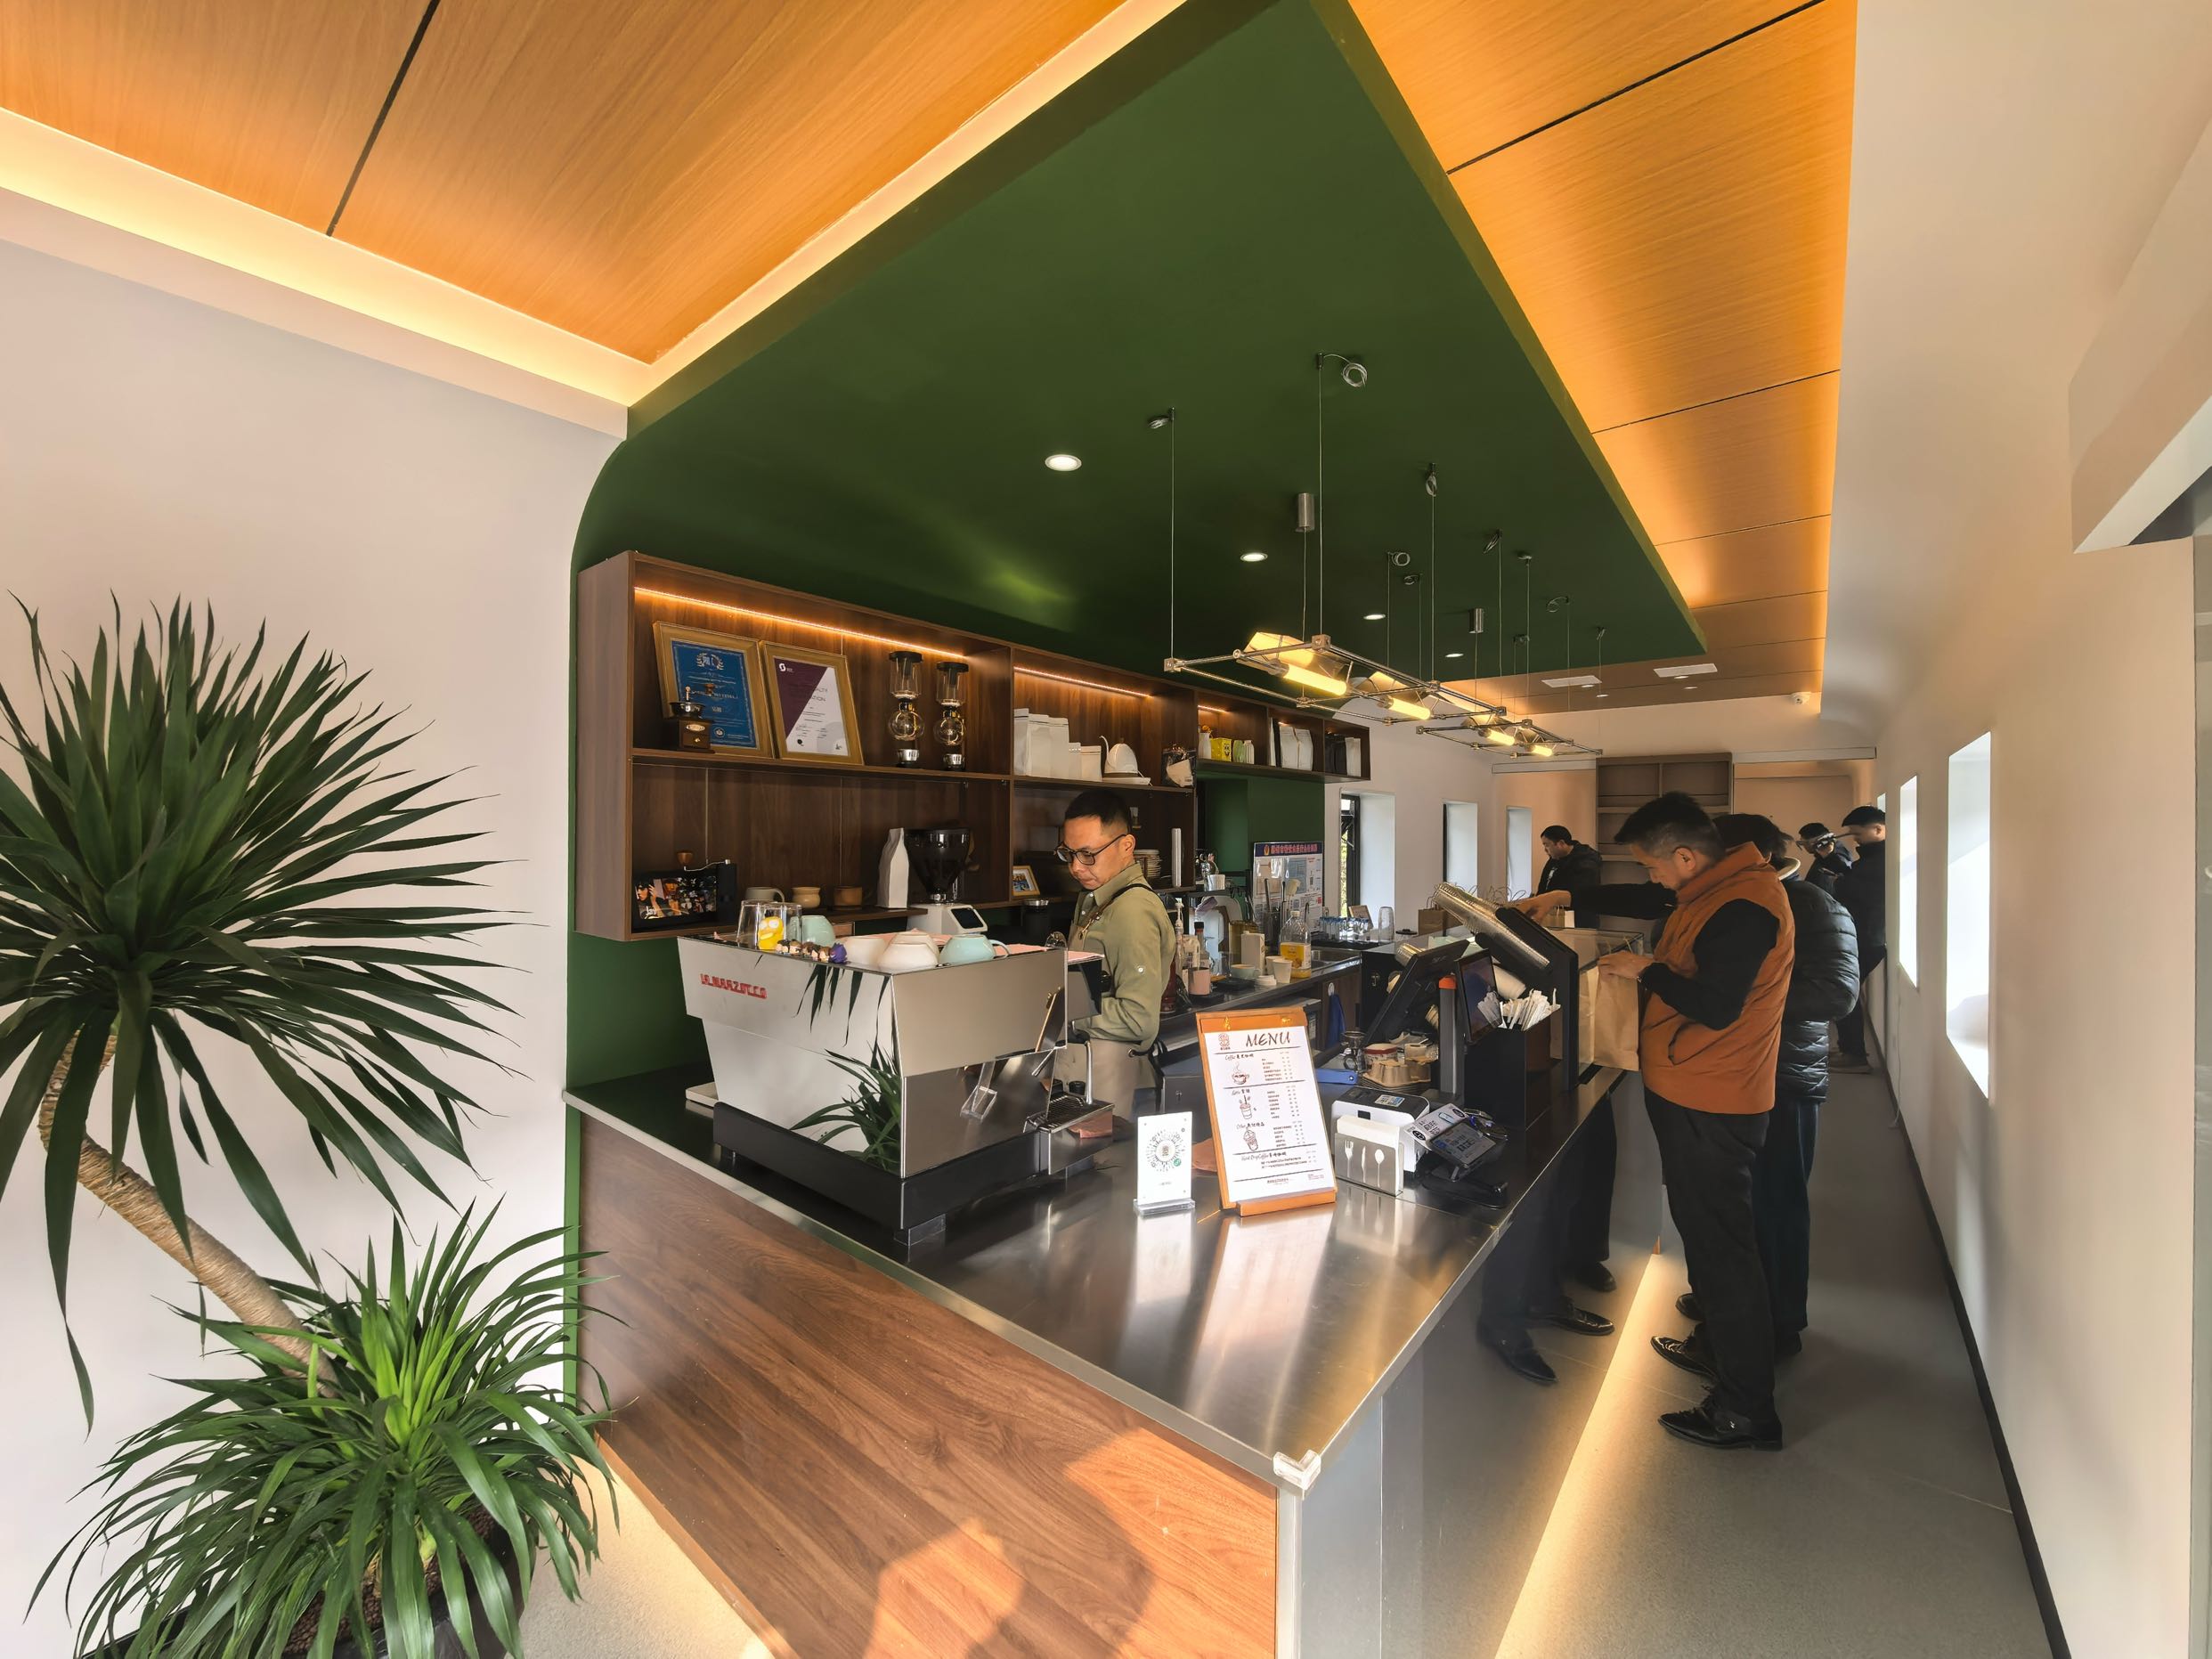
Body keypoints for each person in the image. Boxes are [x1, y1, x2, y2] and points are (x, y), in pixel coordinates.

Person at [1519, 792, 1795, 1450]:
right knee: (1709, 1240)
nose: (1653, 878)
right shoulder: (1716, 885)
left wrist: (1646, 970)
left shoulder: (1745, 905)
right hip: (1696, 1084)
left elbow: (1716, 1004)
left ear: (1686, 856)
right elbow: (1652, 902)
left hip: (1714, 1096)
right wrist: (1564, 898)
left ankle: (1745, 1409)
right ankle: (1718, 1350)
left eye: (1653, 865)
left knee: (1722, 1250)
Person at [1697, 814, 1859, 1358]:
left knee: (1776, 1204)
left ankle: (1776, 1324)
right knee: (1739, 1203)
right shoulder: (1734, 902)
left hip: (1784, 1075)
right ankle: (1736, 1304)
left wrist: (1735, 999)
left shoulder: (1811, 905)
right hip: (1737, 1071)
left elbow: (1837, 993)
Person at [1057, 789, 1175, 1113]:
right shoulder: (1097, 899)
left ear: (1126, 845)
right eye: (1068, 854)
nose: (1076, 867)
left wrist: (1062, 1013)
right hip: (1086, 1070)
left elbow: (1138, 1019)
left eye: (1088, 854)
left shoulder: (1132, 910)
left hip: (1110, 1075)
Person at [1829, 804, 1886, 1071]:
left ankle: (1854, 1055)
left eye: (1858, 834)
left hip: (1869, 936)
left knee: (1844, 990)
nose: (1855, 840)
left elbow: (1862, 891)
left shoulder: (1882, 861)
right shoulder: (1875, 859)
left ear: (1878, 829)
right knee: (1845, 989)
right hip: (1863, 934)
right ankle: (1849, 1049)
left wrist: (1840, 882)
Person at [1536, 825, 1604, 917]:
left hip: (1577, 919)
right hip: (1553, 915)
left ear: (1561, 843)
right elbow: (1544, 884)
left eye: (1547, 845)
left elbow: (1579, 897)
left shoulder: (1586, 863)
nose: (1545, 850)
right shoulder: (1555, 858)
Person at [1796, 822, 1854, 891]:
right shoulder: (1826, 854)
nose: (1804, 847)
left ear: (1814, 842)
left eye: (1803, 843)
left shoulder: (1835, 856)